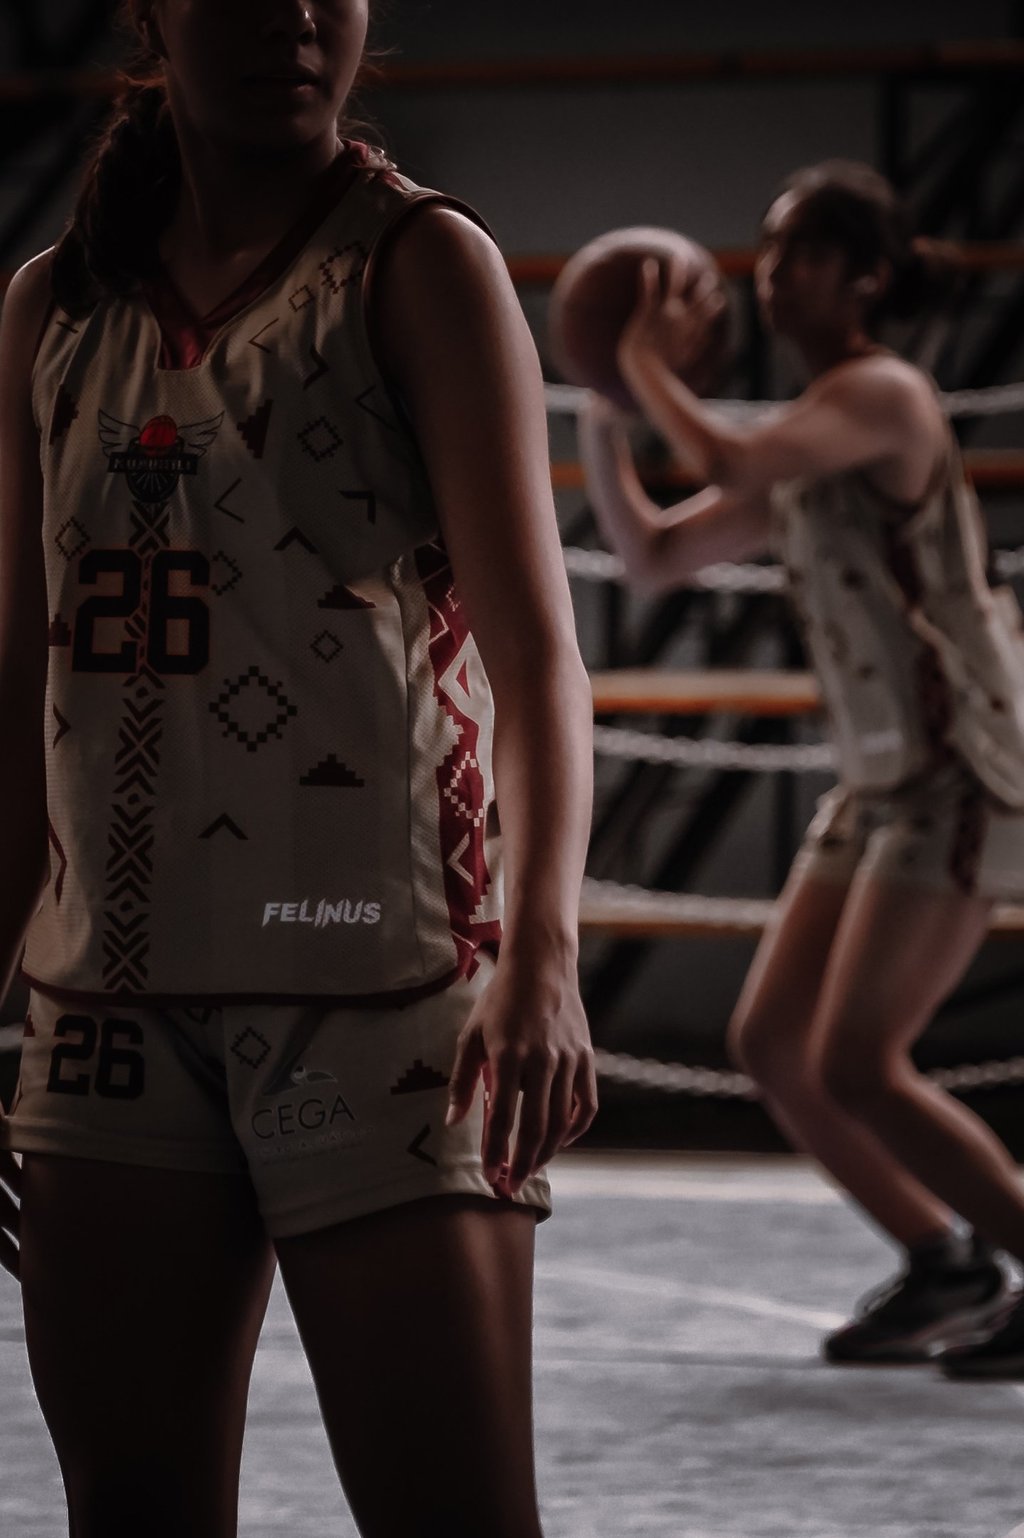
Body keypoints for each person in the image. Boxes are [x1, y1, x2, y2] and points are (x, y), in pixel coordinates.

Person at [0, 2, 598, 1534]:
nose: (292, 16)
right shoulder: (48, 310)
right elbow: (19, 683)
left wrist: (541, 955)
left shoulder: (420, 265)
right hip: (106, 1006)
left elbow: (538, 662)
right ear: (148, 10)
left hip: (379, 989)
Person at [580, 158, 1024, 1378]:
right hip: (883, 778)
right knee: (772, 1041)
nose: (769, 278)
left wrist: (642, 358)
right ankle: (945, 1262)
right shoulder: (799, 446)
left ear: (865, 276)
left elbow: (727, 467)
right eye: (765, 255)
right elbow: (655, 555)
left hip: (958, 767)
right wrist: (608, 408)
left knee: (854, 1059)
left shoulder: (880, 396)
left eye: (799, 255)